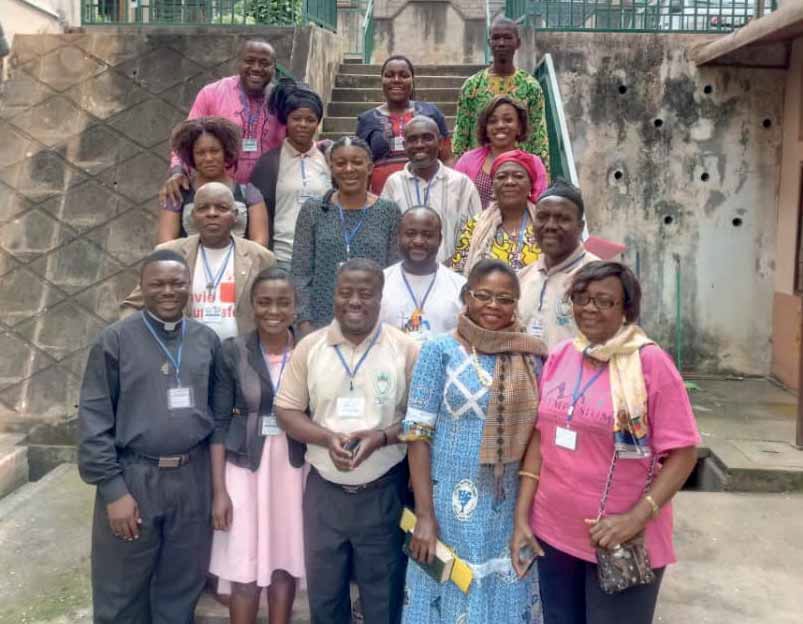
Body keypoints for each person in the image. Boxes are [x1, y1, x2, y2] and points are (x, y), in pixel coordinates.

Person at [511, 261, 700, 624]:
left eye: (604, 301)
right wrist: (523, 516)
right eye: (581, 299)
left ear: (626, 309)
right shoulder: (563, 355)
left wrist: (636, 517)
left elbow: (684, 453)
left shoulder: (650, 363)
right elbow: (541, 438)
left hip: (619, 538)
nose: (589, 309)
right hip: (552, 532)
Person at [78, 249, 222, 624]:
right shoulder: (114, 341)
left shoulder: (207, 340)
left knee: (181, 587)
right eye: (157, 283)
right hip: (135, 479)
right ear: (141, 287)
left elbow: (219, 416)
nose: (168, 291)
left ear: (190, 287)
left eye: (177, 283)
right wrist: (113, 491)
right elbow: (94, 420)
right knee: (121, 590)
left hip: (192, 477)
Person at [401, 259, 547, 623]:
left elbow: (538, 436)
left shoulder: (531, 355)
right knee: (448, 587)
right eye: (483, 296)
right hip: (446, 505)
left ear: (516, 303)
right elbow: (417, 435)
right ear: (466, 296)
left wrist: (523, 514)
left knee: (505, 586)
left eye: (505, 299)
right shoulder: (439, 351)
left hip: (507, 502)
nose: (493, 306)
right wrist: (424, 516)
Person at [275, 258, 420, 624]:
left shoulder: (405, 348)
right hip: (324, 495)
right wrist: (326, 438)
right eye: (345, 292)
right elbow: (287, 412)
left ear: (380, 298)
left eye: (365, 293)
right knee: (325, 600)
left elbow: (421, 423)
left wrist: (382, 437)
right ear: (334, 296)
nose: (354, 301)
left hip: (384, 494)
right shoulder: (310, 348)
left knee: (383, 599)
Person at [208, 268, 306, 624]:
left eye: (284, 303)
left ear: (296, 307)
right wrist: (218, 490)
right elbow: (218, 422)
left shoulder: (310, 350)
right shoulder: (233, 351)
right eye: (264, 302)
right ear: (252, 306)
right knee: (243, 567)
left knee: (284, 563)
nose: (274, 311)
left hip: (294, 470)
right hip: (243, 469)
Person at [122, 182, 275, 341]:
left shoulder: (260, 257)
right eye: (203, 208)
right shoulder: (169, 254)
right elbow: (132, 307)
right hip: (183, 357)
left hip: (241, 357)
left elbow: (276, 310)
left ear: (235, 215)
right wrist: (139, 345)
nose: (212, 214)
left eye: (221, 208)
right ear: (193, 215)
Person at [291, 136, 401, 334]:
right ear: (332, 169)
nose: (349, 169)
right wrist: (304, 322)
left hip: (375, 321)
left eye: (357, 162)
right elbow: (300, 272)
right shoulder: (314, 210)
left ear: (369, 168)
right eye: (341, 163)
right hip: (321, 320)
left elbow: (395, 273)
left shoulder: (389, 211)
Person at [160, 38, 286, 208]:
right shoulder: (212, 93)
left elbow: (300, 135)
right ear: (238, 63)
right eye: (249, 61)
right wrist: (176, 172)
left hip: (269, 196)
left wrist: (324, 147)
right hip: (216, 195)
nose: (256, 68)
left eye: (264, 63)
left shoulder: (283, 99)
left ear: (274, 67)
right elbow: (187, 140)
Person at [250, 79, 331, 270]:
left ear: (318, 123)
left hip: (322, 258)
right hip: (282, 259)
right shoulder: (269, 163)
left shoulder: (329, 159)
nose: (303, 124)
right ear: (286, 120)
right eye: (296, 118)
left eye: (310, 120)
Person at [381, 116, 481, 262]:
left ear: (440, 143)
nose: (420, 145)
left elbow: (475, 233)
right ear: (404, 145)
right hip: (405, 274)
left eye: (427, 138)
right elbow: (386, 234)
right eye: (413, 139)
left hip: (452, 275)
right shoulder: (394, 183)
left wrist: (454, 269)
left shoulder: (461, 184)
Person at [453, 17, 550, 168]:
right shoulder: (472, 86)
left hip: (519, 173)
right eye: (496, 38)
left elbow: (539, 137)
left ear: (518, 43)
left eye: (507, 37)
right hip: (479, 172)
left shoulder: (531, 87)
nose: (501, 43)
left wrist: (541, 176)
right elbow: (460, 136)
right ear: (489, 42)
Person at [158, 116, 269, 247]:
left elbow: (260, 243)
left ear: (226, 151)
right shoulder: (179, 193)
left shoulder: (249, 194)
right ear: (191, 156)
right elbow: (165, 244)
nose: (208, 158)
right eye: (200, 153)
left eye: (214, 151)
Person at [518, 179, 599, 347]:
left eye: (563, 219)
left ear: (580, 227)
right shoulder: (522, 278)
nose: (551, 226)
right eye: (542, 217)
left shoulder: (600, 278)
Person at [356, 55, 452, 194]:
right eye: (389, 75)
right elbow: (361, 164)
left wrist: (448, 189)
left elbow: (447, 158)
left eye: (403, 75)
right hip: (383, 197)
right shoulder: (367, 120)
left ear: (412, 80)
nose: (396, 80)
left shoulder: (431, 113)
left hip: (431, 192)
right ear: (381, 80)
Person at [450, 150, 546, 275]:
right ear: (493, 186)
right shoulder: (474, 226)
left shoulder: (546, 224)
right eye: (501, 177)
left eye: (518, 176)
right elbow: (458, 273)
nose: (509, 182)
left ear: (530, 184)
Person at [380, 207, 466, 342]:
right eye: (410, 233)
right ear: (398, 237)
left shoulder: (461, 286)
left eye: (427, 235)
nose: (418, 241)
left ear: (440, 240)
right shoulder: (380, 283)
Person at [455, 96, 547, 209]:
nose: (500, 125)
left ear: (519, 127)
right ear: (486, 129)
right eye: (493, 121)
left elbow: (540, 204)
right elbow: (456, 202)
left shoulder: (534, 163)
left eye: (508, 120)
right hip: (474, 225)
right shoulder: (467, 161)